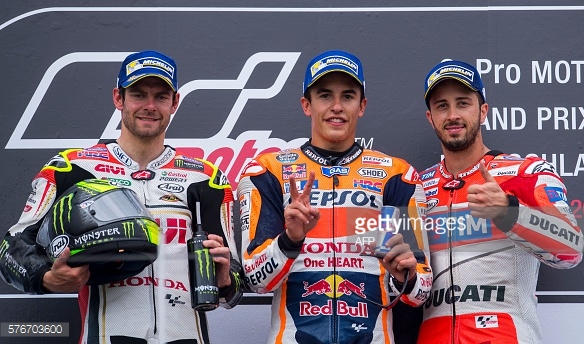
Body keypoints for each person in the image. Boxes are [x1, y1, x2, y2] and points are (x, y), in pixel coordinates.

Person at [0, 50, 243, 344]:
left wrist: (226, 281)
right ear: (119, 98)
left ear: (174, 103)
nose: (150, 106)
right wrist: (47, 278)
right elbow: (12, 245)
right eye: (139, 95)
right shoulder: (72, 168)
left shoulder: (206, 178)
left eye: (161, 97)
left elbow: (236, 284)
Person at [237, 50, 432, 344]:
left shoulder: (396, 176)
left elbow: (421, 291)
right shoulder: (269, 171)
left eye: (348, 96)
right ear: (307, 105)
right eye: (325, 95)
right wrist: (291, 240)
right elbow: (257, 280)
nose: (337, 107)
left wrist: (404, 276)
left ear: (362, 106)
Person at [418, 59, 584, 343]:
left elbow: (571, 250)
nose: (453, 114)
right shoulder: (418, 185)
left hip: (504, 334)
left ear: (483, 111)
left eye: (463, 103)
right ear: (430, 117)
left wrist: (509, 214)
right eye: (442, 106)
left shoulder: (525, 172)